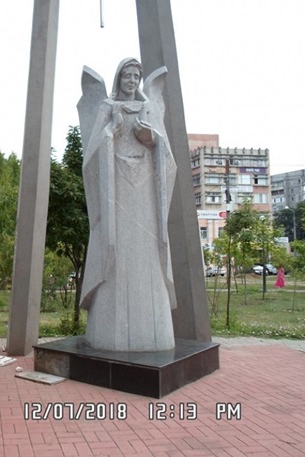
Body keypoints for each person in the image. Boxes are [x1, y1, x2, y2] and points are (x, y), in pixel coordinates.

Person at [77, 58, 177, 352]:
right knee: (116, 251)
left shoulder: (149, 109)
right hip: (116, 194)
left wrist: (152, 139)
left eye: (136, 76)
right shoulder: (107, 108)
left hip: (145, 197)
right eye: (127, 76)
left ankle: (153, 330)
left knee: (148, 252)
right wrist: (113, 131)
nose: (132, 81)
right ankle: (109, 331)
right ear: (118, 78)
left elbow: (169, 160)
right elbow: (90, 160)